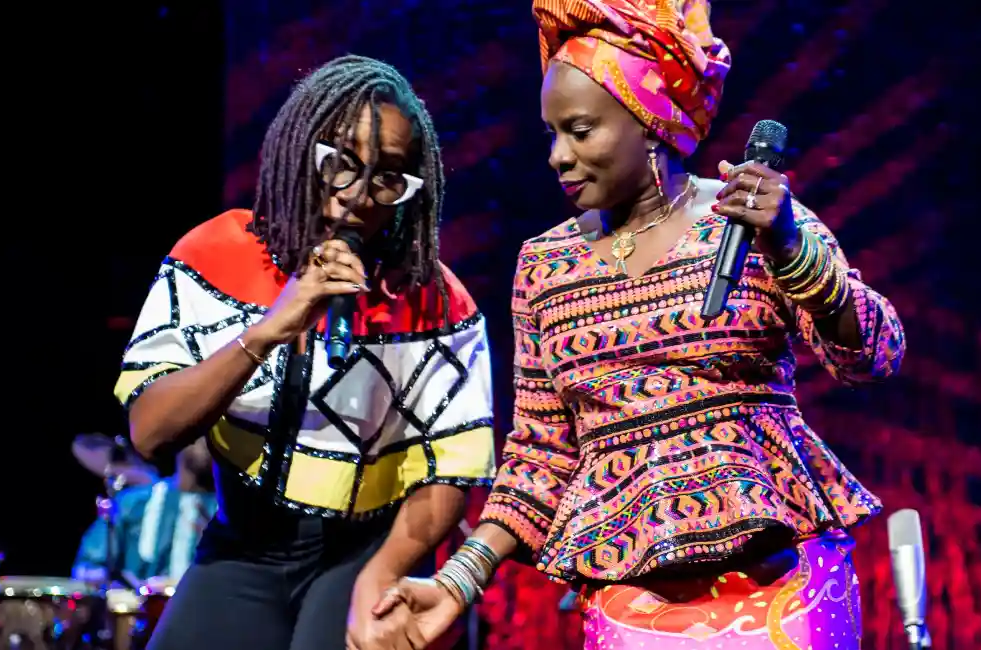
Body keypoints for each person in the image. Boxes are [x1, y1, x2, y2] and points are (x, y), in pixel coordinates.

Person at [370, 2, 906, 649]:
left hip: (780, 587)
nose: (557, 157)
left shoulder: (752, 221)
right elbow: (539, 455)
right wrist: (457, 581)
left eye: (580, 130)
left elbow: (874, 354)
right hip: (632, 600)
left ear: (648, 121)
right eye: (551, 134)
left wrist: (792, 249)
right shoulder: (545, 265)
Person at [113, 55, 495, 650]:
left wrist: (386, 570)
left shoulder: (438, 302)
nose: (359, 197)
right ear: (301, 148)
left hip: (363, 548)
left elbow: (447, 472)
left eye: (389, 177)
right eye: (341, 164)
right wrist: (269, 328)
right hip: (242, 542)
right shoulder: (215, 255)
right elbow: (150, 431)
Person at [72, 438, 217, 585]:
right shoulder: (134, 502)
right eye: (199, 429)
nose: (205, 440)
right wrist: (118, 583)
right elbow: (86, 568)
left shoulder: (228, 513)